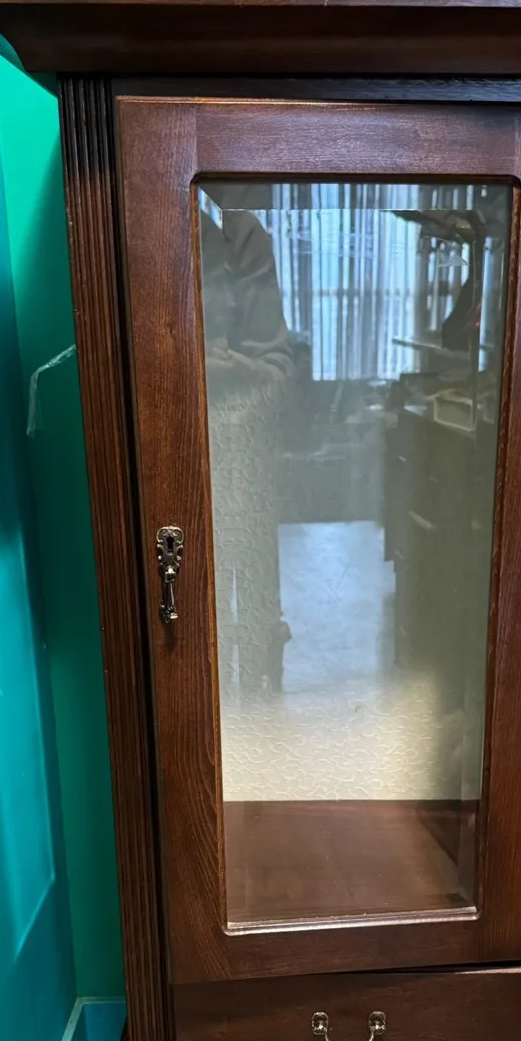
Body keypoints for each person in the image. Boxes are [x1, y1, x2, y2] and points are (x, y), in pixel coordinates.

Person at [200, 189, 293, 694]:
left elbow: (276, 372)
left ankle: (261, 685)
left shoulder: (242, 234)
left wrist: (230, 369)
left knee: (252, 590)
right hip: (174, 455)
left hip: (238, 443)